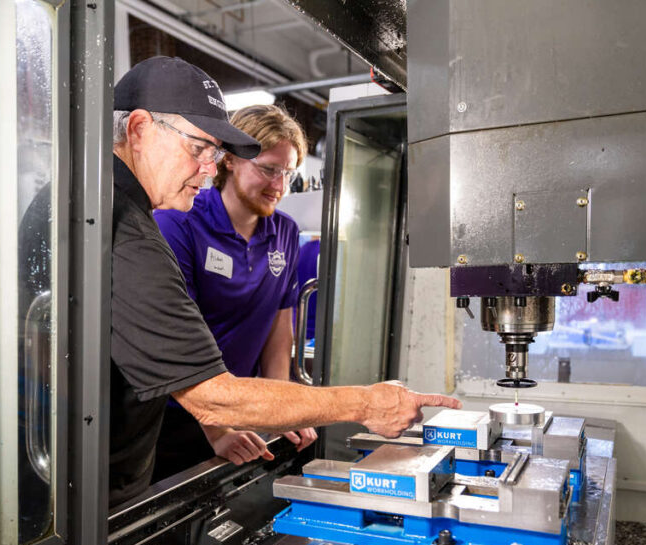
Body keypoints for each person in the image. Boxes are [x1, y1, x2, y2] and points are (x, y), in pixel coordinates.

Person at [109, 56, 460, 506]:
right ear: (138, 129)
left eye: (214, 154)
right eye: (200, 149)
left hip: (129, 450)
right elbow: (212, 397)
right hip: (126, 459)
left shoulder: (113, 205)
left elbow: (278, 328)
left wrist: (279, 405)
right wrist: (365, 405)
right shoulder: (137, 230)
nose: (208, 169)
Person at [152, 105, 316, 480]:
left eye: (287, 173)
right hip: (173, 414)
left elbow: (278, 329)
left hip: (238, 411)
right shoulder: (179, 221)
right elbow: (175, 337)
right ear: (229, 160)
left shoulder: (285, 233)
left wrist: (279, 409)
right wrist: (216, 428)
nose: (279, 185)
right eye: (269, 169)